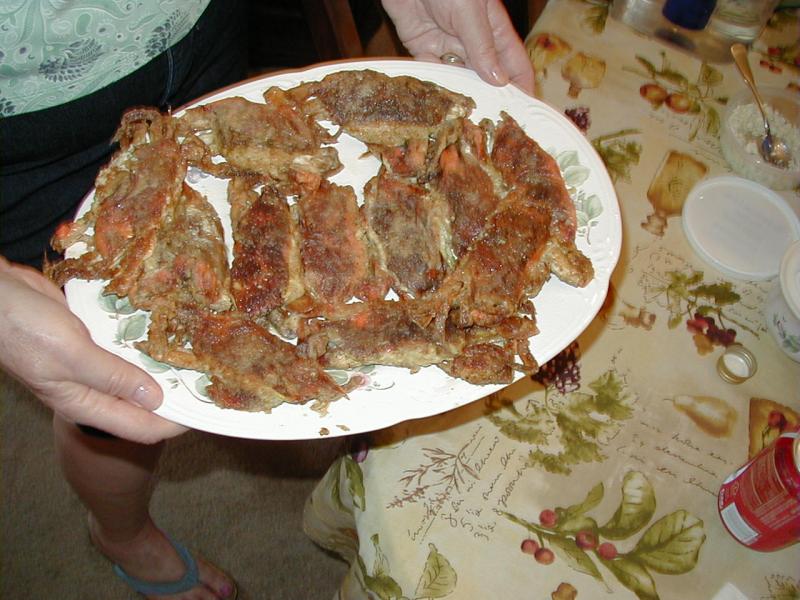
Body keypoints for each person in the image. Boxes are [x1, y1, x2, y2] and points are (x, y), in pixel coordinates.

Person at [0, 1, 534, 598]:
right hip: (27, 134)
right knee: (104, 404)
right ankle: (121, 533)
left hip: (199, 29)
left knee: (248, 182)